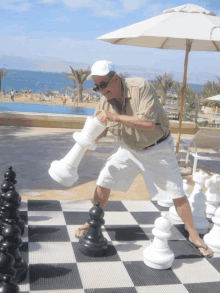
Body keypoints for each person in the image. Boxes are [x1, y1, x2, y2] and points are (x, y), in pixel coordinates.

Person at [75, 60, 213, 258]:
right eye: (97, 87)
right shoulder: (105, 101)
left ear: (115, 78)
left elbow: (147, 123)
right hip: (128, 147)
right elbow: (99, 128)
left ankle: (193, 236)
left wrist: (113, 117)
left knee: (176, 191)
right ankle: (93, 220)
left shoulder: (140, 87)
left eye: (103, 84)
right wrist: (87, 143)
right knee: (103, 181)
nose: (101, 90)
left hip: (157, 147)